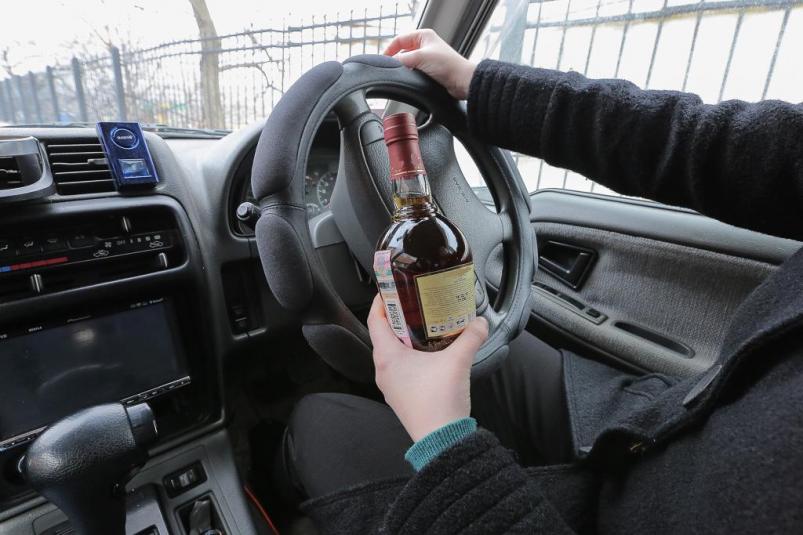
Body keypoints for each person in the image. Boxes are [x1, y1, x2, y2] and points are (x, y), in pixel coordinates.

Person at [279, 29, 803, 533]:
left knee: (317, 420)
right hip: (662, 427)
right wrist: (479, 83)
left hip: (603, 511)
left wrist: (444, 438)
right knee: (490, 354)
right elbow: (715, 145)